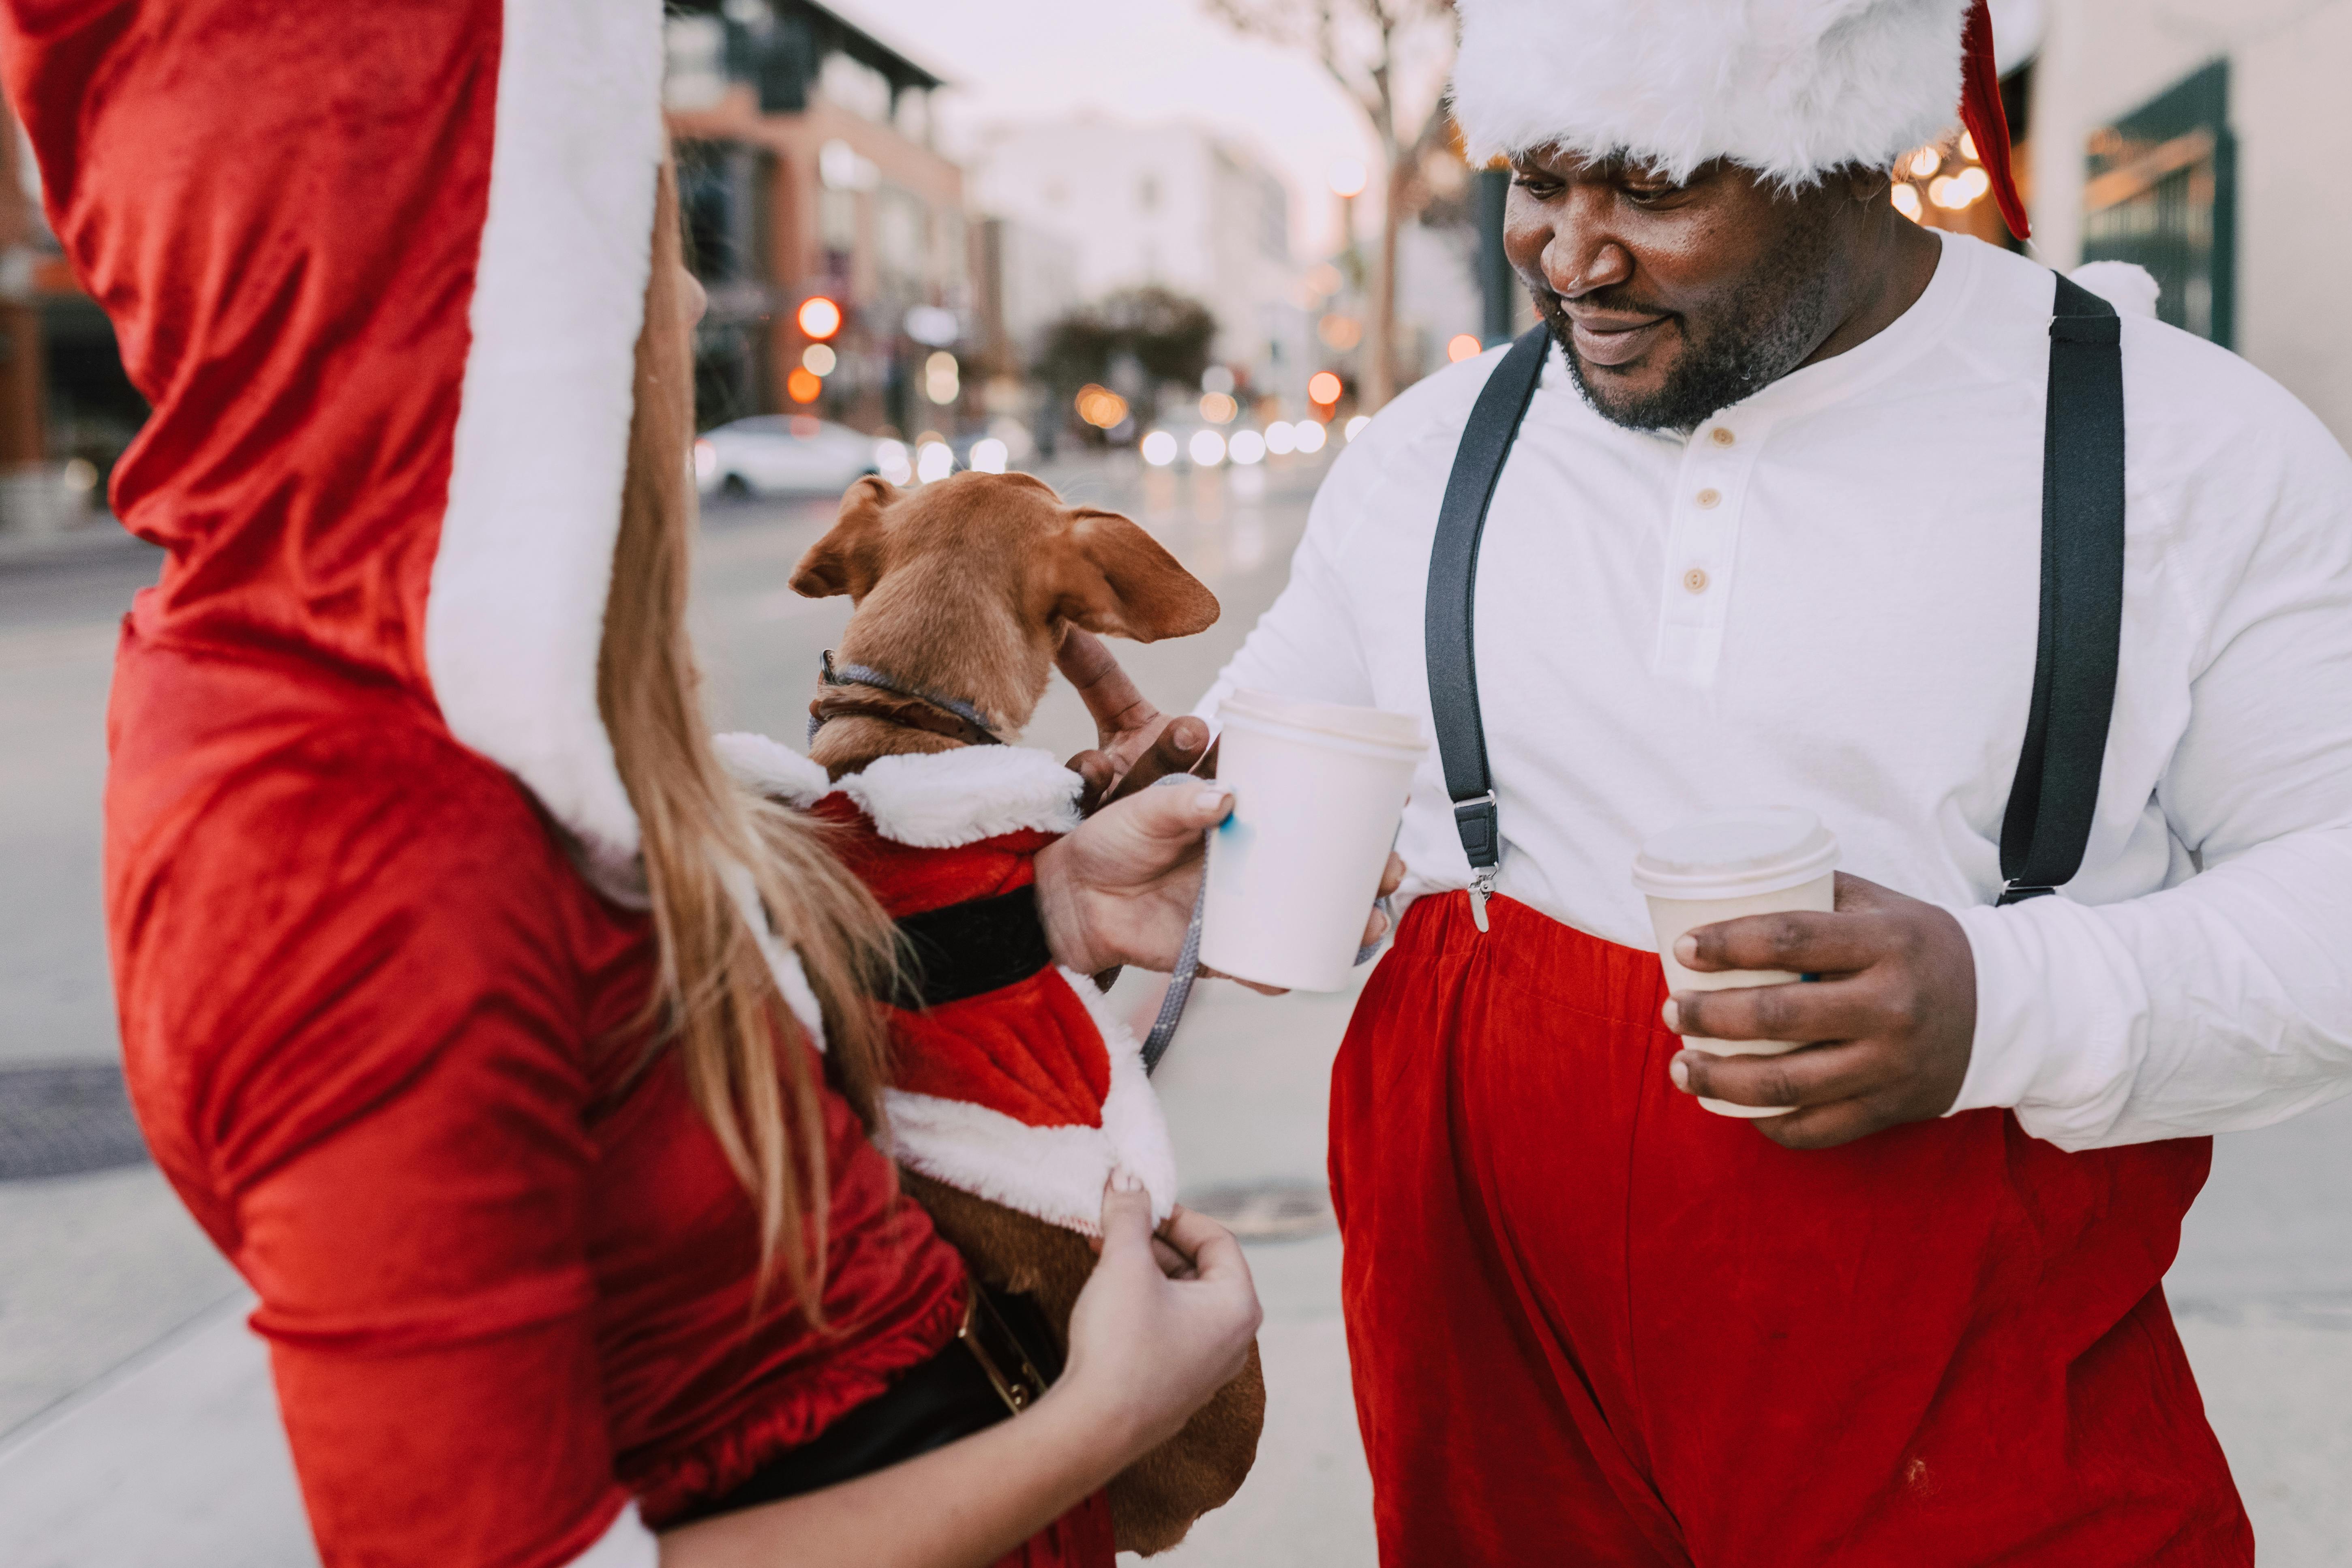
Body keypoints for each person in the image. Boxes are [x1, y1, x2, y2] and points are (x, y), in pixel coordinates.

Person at [1071, 0, 2352, 1562]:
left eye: (1655, 185)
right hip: (1488, 1372)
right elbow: (1294, 767)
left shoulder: (2187, 448)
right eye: (1538, 178)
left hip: (1967, 1412)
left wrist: (1997, 998)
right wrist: (1193, 827)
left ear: (1854, 152)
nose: (1570, 256)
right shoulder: (1428, 451)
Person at [0, 7, 1265, 1567]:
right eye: (631, 222)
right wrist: (1101, 1418)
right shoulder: (349, 839)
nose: (679, 294)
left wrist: (1043, 904)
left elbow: (660, 1039)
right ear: (486, 301)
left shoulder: (470, 708)